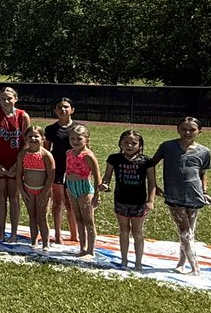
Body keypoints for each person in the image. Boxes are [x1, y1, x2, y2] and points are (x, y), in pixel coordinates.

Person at [150, 117, 211, 275]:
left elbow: (203, 173)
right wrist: (154, 185)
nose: (187, 132)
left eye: (192, 130)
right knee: (185, 231)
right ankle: (195, 267)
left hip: (195, 195)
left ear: (199, 131)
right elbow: (151, 164)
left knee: (190, 231)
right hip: (174, 195)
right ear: (178, 129)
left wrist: (204, 192)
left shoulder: (204, 151)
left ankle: (181, 263)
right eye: (184, 129)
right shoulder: (167, 147)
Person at [103, 130, 158, 271]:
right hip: (121, 200)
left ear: (140, 145)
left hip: (139, 201)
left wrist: (150, 201)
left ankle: (138, 262)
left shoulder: (146, 161)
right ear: (120, 143)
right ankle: (124, 260)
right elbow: (107, 177)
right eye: (126, 142)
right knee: (124, 231)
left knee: (137, 232)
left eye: (134, 143)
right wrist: (104, 184)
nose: (129, 145)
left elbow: (152, 182)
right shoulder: (114, 158)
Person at [0, 86, 29, 243]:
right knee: (1, 196)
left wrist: (17, 165)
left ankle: (14, 233)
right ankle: (2, 232)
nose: (6, 101)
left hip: (16, 162)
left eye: (9, 98)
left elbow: (26, 143)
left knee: (14, 197)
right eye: (3, 98)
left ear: (16, 99)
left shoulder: (22, 116)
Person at [65, 124, 104, 257]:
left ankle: (90, 250)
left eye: (79, 139)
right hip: (71, 187)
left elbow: (97, 176)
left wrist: (97, 195)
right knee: (79, 219)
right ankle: (82, 247)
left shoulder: (88, 155)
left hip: (84, 188)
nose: (75, 142)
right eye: (72, 138)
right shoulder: (69, 153)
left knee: (88, 221)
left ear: (86, 139)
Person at [44, 97, 80, 244]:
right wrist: (46, 169)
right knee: (58, 201)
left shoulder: (78, 129)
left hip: (74, 169)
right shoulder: (51, 129)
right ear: (55, 110)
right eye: (60, 107)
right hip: (57, 168)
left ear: (72, 110)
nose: (63, 110)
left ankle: (74, 234)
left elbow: (85, 151)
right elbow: (46, 150)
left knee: (72, 202)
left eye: (66, 107)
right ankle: (58, 234)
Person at [17, 126, 55, 249]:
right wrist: (22, 191)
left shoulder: (46, 155)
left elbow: (50, 176)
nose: (33, 139)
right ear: (25, 138)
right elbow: (19, 174)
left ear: (42, 138)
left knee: (41, 217)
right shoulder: (23, 154)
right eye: (30, 136)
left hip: (42, 190)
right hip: (28, 190)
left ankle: (45, 243)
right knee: (32, 216)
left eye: (36, 136)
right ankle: (33, 242)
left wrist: (44, 193)